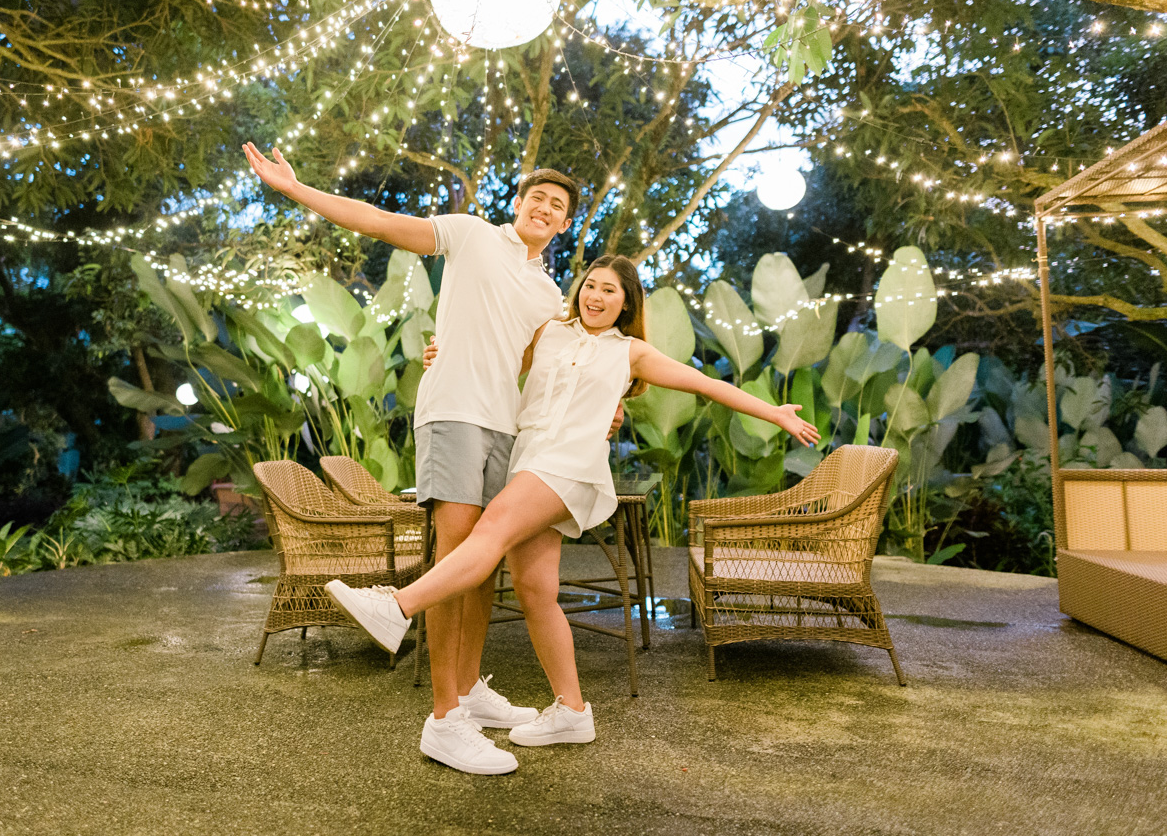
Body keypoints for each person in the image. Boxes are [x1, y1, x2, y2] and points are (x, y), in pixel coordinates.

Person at [327, 255, 820, 766]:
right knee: (534, 590)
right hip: (527, 460)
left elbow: (704, 384)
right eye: (591, 285)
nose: (596, 296)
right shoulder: (548, 332)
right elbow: (493, 360)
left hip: (569, 465)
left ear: (626, 304)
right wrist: (443, 356)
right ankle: (572, 711)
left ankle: (397, 606)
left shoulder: (631, 352)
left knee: (488, 533)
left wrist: (773, 412)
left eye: (610, 291)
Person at [241, 142, 596, 776]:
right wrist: (296, 189)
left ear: (566, 224)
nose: (544, 208)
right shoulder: (470, 235)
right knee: (454, 556)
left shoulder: (548, 295)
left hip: (507, 428)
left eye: (557, 206)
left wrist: (611, 406)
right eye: (537, 197)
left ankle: (469, 690)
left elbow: (556, 367)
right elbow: (378, 222)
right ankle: (444, 720)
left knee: (480, 566)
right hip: (455, 412)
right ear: (519, 204)